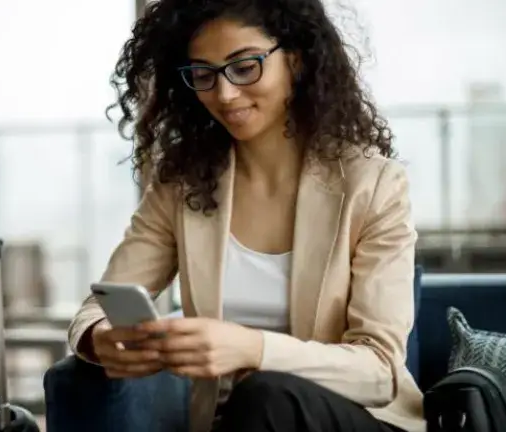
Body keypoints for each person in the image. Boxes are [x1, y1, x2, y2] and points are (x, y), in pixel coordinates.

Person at [65, 0, 424, 431]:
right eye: (204, 74)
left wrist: (252, 348)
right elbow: (96, 308)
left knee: (266, 394)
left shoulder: (374, 184)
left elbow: (380, 370)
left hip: (359, 418)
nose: (225, 93)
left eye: (244, 67)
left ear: (295, 60)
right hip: (235, 422)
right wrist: (101, 338)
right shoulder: (183, 187)